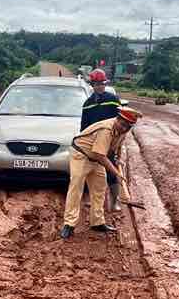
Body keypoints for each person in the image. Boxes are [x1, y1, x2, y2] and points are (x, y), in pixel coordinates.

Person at [60, 107, 142, 239]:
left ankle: (97, 222)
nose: (123, 128)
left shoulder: (123, 131)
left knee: (100, 188)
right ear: (117, 119)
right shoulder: (106, 129)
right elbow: (100, 156)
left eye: (127, 126)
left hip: (96, 158)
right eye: (122, 124)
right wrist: (116, 173)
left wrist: (118, 159)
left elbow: (117, 147)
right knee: (76, 188)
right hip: (81, 155)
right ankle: (69, 224)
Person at [81, 69, 123, 211]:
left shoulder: (113, 100)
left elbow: (121, 121)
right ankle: (93, 199)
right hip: (93, 143)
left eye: (102, 83)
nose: (100, 86)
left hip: (109, 142)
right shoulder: (88, 104)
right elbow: (84, 128)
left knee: (111, 171)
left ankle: (115, 201)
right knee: (91, 171)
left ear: (105, 83)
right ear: (92, 85)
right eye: (97, 84)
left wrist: (117, 144)